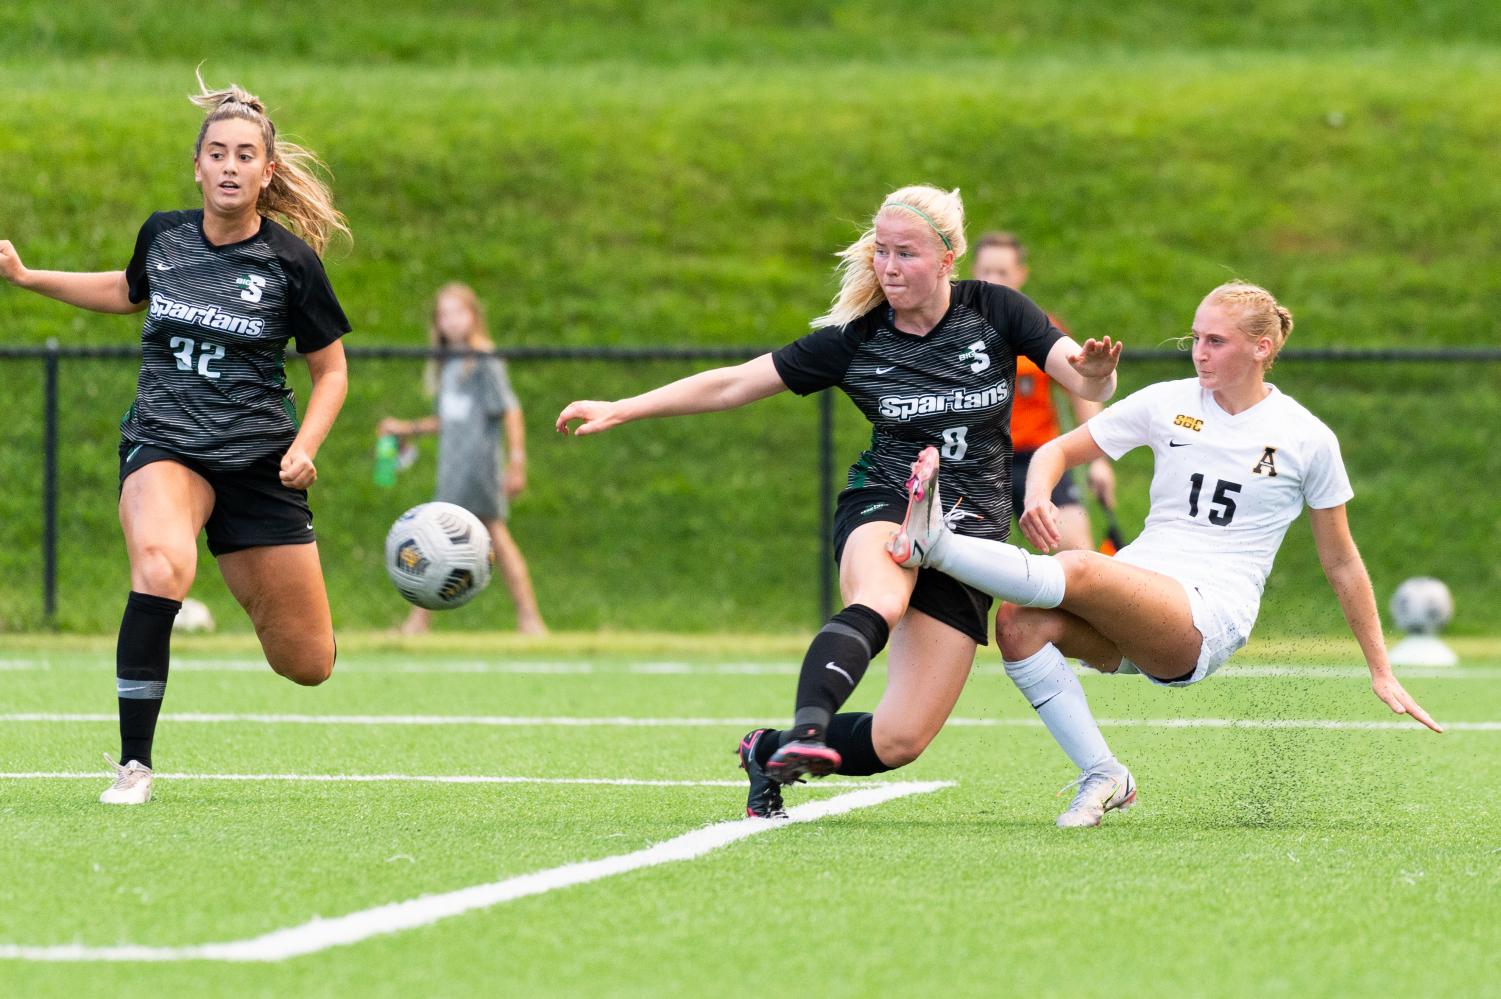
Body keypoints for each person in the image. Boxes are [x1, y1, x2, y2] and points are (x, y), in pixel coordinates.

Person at [557, 185, 1120, 818]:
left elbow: (1082, 375)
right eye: (881, 251)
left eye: (905, 252)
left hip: (970, 535)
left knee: (902, 739)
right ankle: (808, 729)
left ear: (947, 257)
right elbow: (734, 384)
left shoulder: (995, 309)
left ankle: (767, 750)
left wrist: (1097, 371)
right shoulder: (859, 339)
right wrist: (621, 407)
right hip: (886, 499)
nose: (888, 266)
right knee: (881, 597)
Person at [889, 281, 1443, 828]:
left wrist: (1381, 669)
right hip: (1140, 588)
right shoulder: (1167, 402)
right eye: (1195, 338)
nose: (1200, 352)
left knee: (1080, 566)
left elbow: (1342, 561)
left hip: (1207, 616)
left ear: (1262, 348)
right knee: (1018, 625)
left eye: (1217, 341)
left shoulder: (1306, 437)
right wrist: (1037, 493)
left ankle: (935, 546)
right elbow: (1058, 449)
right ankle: (1104, 774)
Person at [0, 74, 353, 804]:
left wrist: (306, 444)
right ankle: (134, 763)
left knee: (309, 662)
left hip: (258, 464)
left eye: (245, 154)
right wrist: (28, 278)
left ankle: (236, 564)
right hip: (168, 444)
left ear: (267, 170)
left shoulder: (291, 264)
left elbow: (332, 372)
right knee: (161, 566)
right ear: (197, 165)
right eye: (217, 152)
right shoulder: (164, 235)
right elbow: (127, 292)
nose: (229, 165)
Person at [378, 282, 546, 636]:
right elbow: (448, 421)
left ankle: (529, 619)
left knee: (487, 535)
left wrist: (516, 462)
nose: (451, 321)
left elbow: (510, 410)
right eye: (444, 314)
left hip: (478, 468)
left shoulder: (483, 359)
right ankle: (422, 621)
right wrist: (405, 428)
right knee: (447, 538)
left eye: (458, 312)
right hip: (451, 468)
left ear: (473, 316)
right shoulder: (448, 365)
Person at [972, 232, 1115, 550]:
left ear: (1021, 275)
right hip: (975, 461)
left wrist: (1098, 461)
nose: (994, 280)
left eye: (1003, 273)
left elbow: (1082, 390)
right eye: (987, 271)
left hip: (1037, 459)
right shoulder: (955, 330)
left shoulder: (1040, 331)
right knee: (958, 563)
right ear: (973, 272)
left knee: (1079, 552)